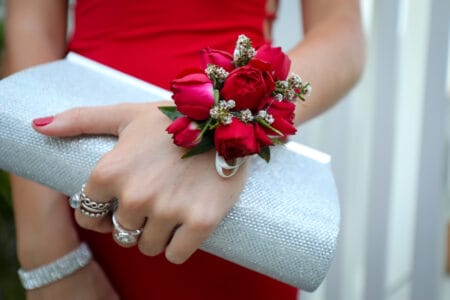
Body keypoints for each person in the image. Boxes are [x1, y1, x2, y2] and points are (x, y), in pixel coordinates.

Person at [3, 0, 365, 299]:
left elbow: (340, 33)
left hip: (234, 205)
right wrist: (48, 254)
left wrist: (220, 126)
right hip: (85, 180)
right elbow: (31, 26)